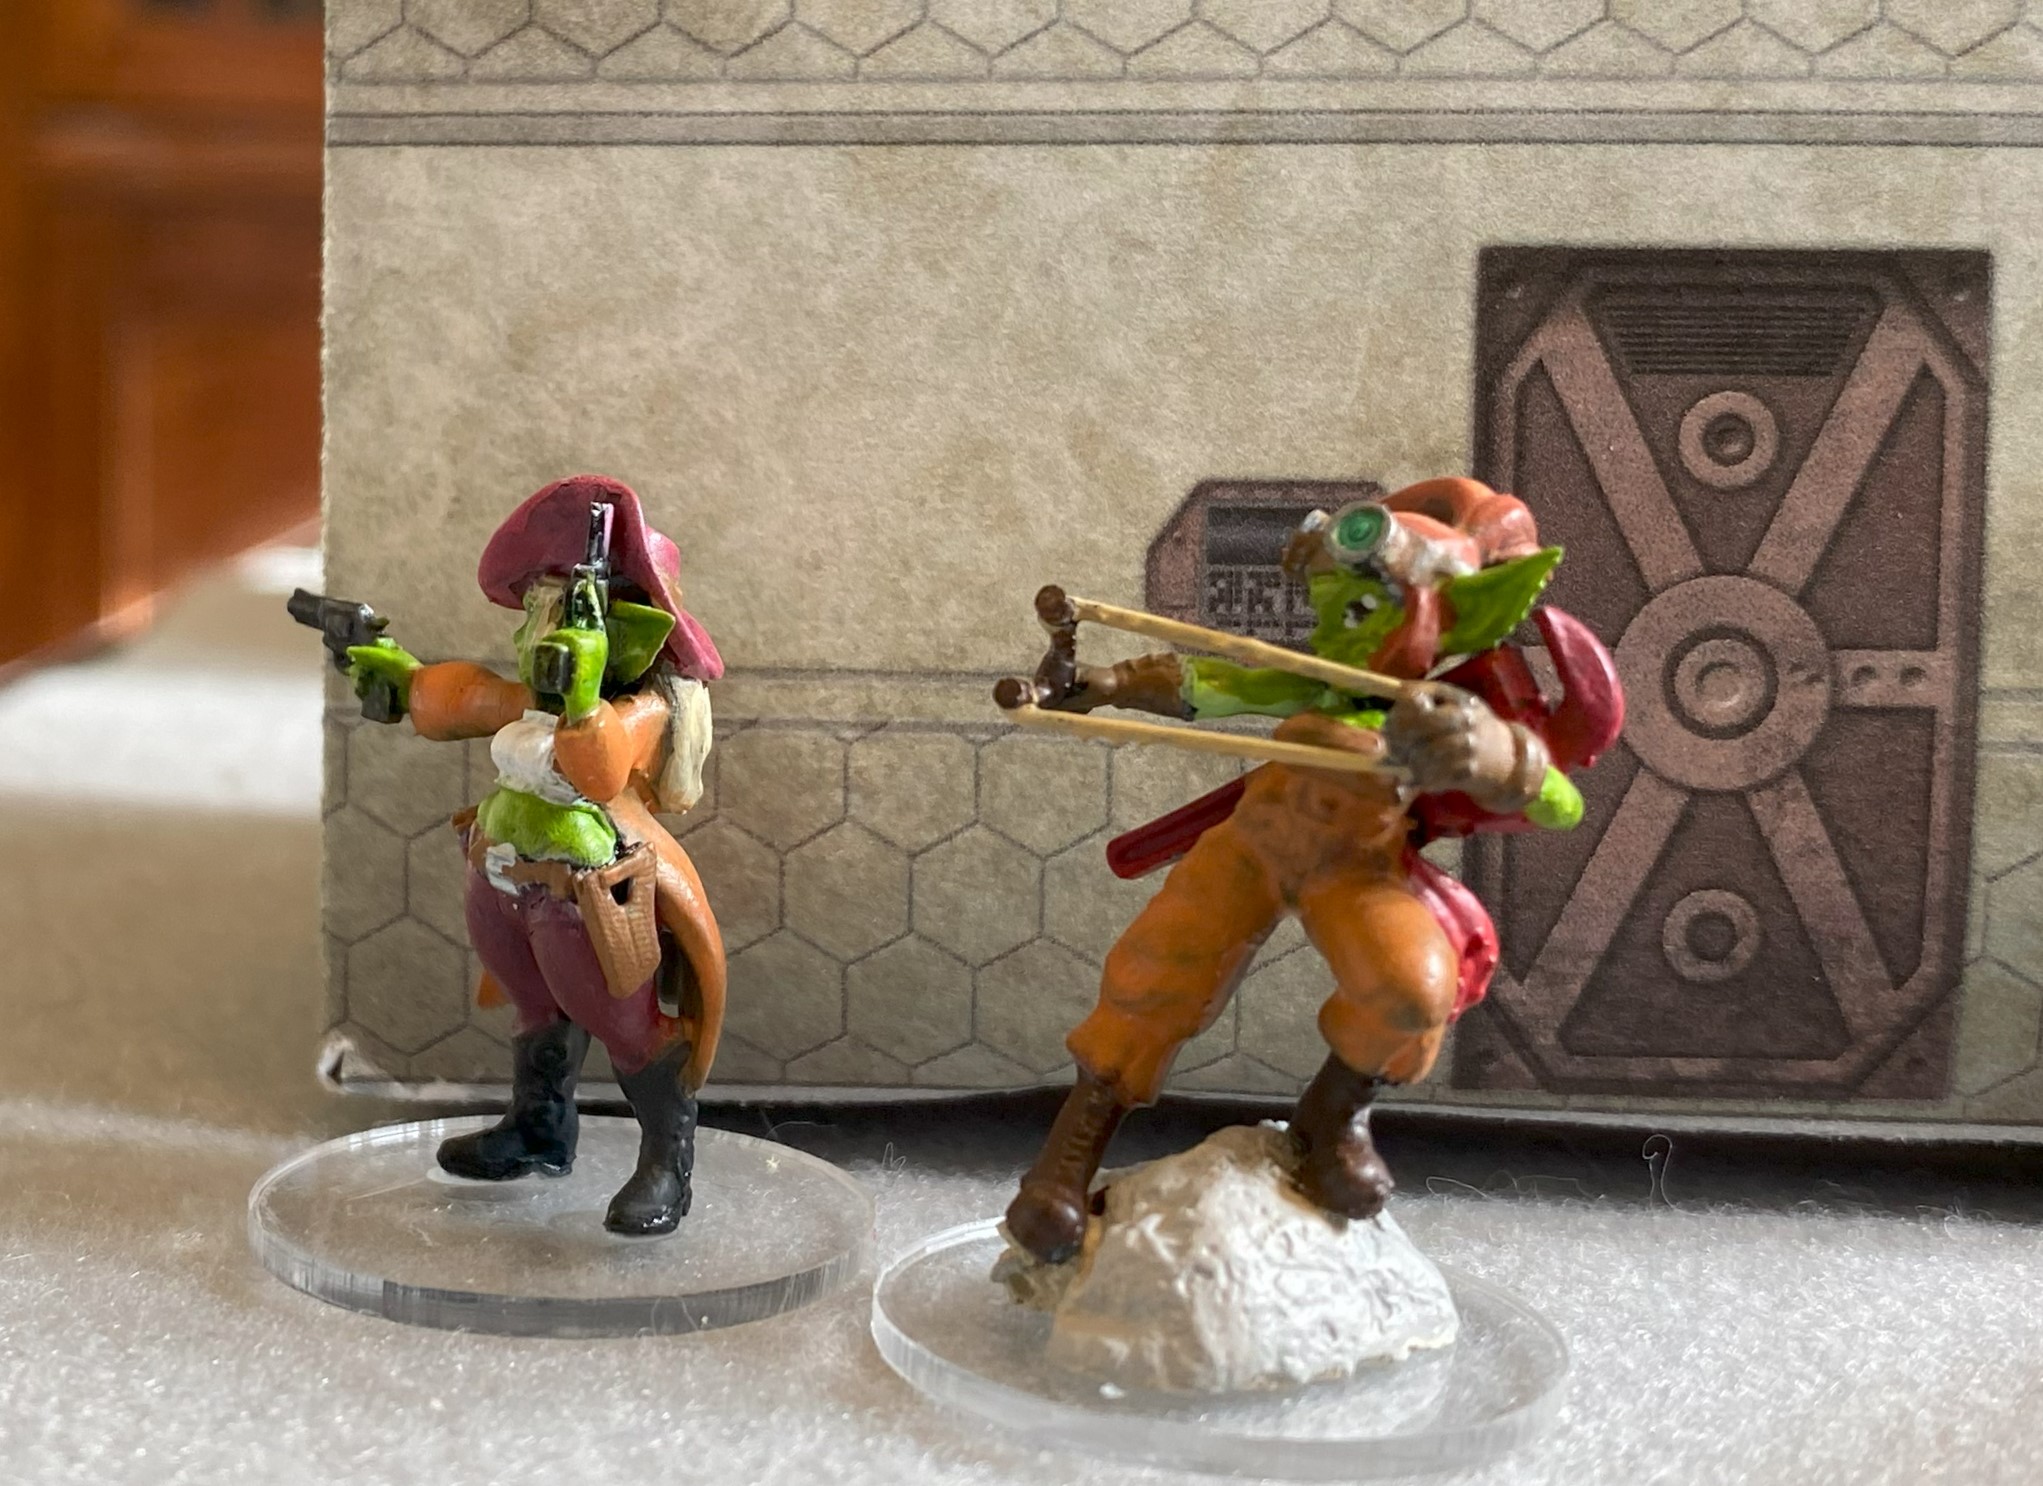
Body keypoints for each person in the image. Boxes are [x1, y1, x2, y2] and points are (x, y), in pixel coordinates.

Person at [1005, 476, 1620, 1263]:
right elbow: (1217, 683)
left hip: (1355, 868)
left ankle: (1331, 1118)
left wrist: (1501, 755)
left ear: (1435, 614)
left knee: (1411, 990)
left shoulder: (1442, 715)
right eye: (1325, 608)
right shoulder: (1322, 683)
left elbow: (1561, 802)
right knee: (1154, 972)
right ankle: (1066, 1158)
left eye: (1356, 611)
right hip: (1252, 848)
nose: (1333, 632)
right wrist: (1105, 684)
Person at [339, 474, 726, 1236]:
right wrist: (399, 676)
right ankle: (538, 1128)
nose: (542, 629)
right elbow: (464, 698)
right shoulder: (531, 701)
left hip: (585, 892)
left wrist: (582, 696)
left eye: (573, 610)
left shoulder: (645, 708)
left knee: (625, 1025)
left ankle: (666, 1161)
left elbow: (600, 768)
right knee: (536, 1008)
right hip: (502, 876)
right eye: (543, 608)